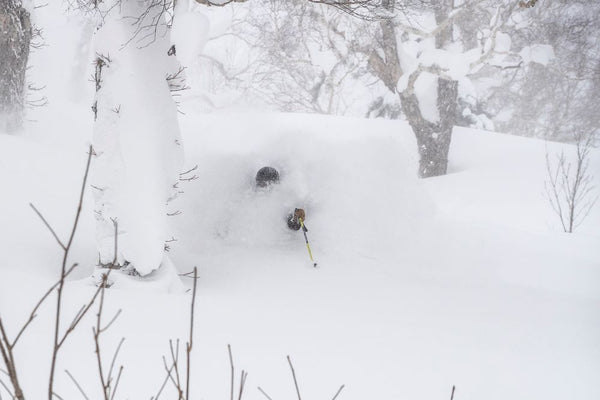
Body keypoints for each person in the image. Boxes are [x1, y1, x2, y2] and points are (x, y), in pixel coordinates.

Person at [255, 166, 307, 231]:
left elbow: (293, 225)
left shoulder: (282, 202)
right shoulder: (252, 199)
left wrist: (296, 218)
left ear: (274, 184)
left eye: (265, 184)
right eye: (260, 183)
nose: (262, 188)